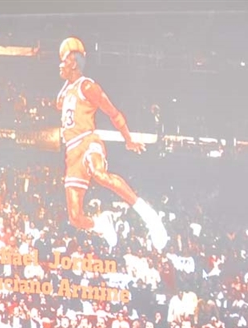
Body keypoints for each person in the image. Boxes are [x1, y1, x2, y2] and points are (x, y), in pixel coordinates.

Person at [56, 36, 168, 251]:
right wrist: (65, 79)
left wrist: (129, 140)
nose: (60, 64)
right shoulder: (65, 91)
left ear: (74, 62)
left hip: (88, 140)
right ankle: (100, 225)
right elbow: (59, 103)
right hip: (71, 152)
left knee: (99, 174)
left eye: (64, 60)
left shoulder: (87, 86)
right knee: (75, 218)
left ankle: (148, 214)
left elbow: (113, 113)